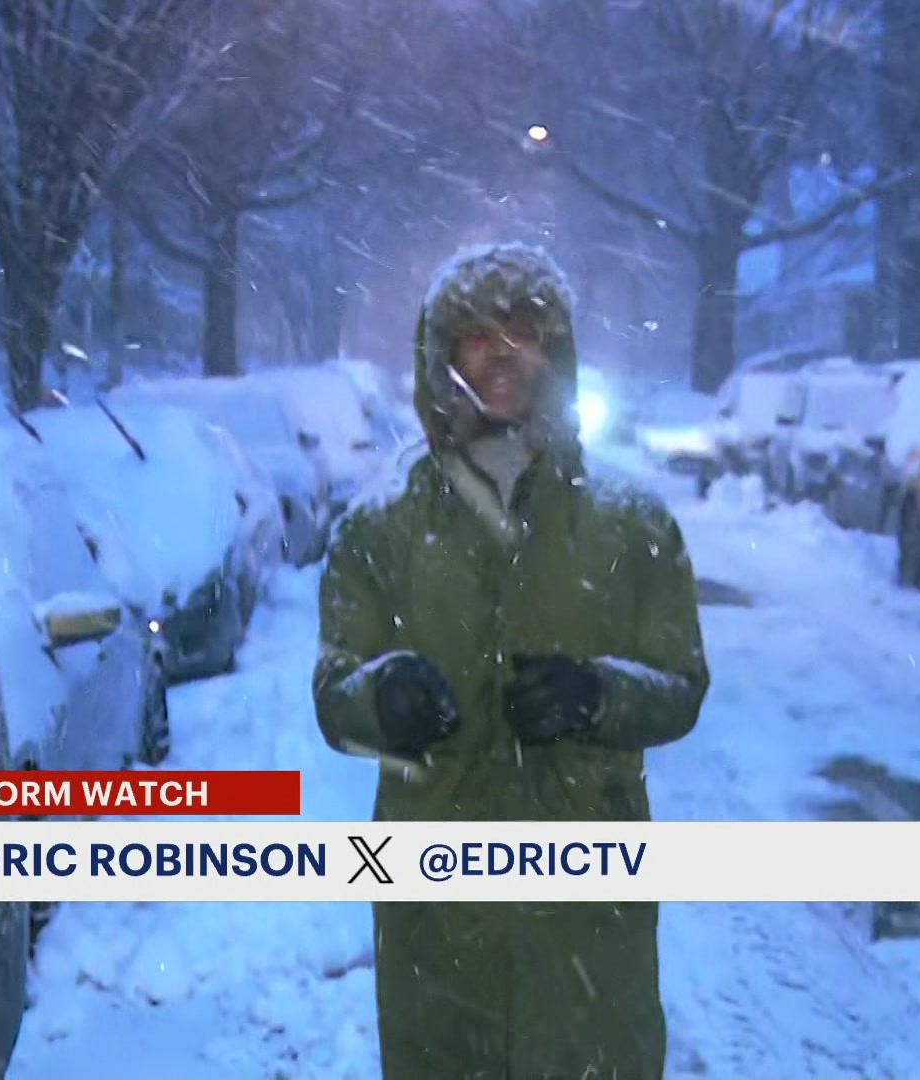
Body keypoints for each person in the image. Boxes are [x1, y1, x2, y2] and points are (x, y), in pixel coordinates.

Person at [312, 241, 710, 1080]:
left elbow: (681, 687)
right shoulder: (377, 533)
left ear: (555, 352)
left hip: (587, 919)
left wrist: (599, 695)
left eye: (524, 331)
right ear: (441, 356)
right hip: (438, 923)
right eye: (476, 335)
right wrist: (381, 698)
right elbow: (334, 693)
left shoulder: (631, 526)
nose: (501, 353)